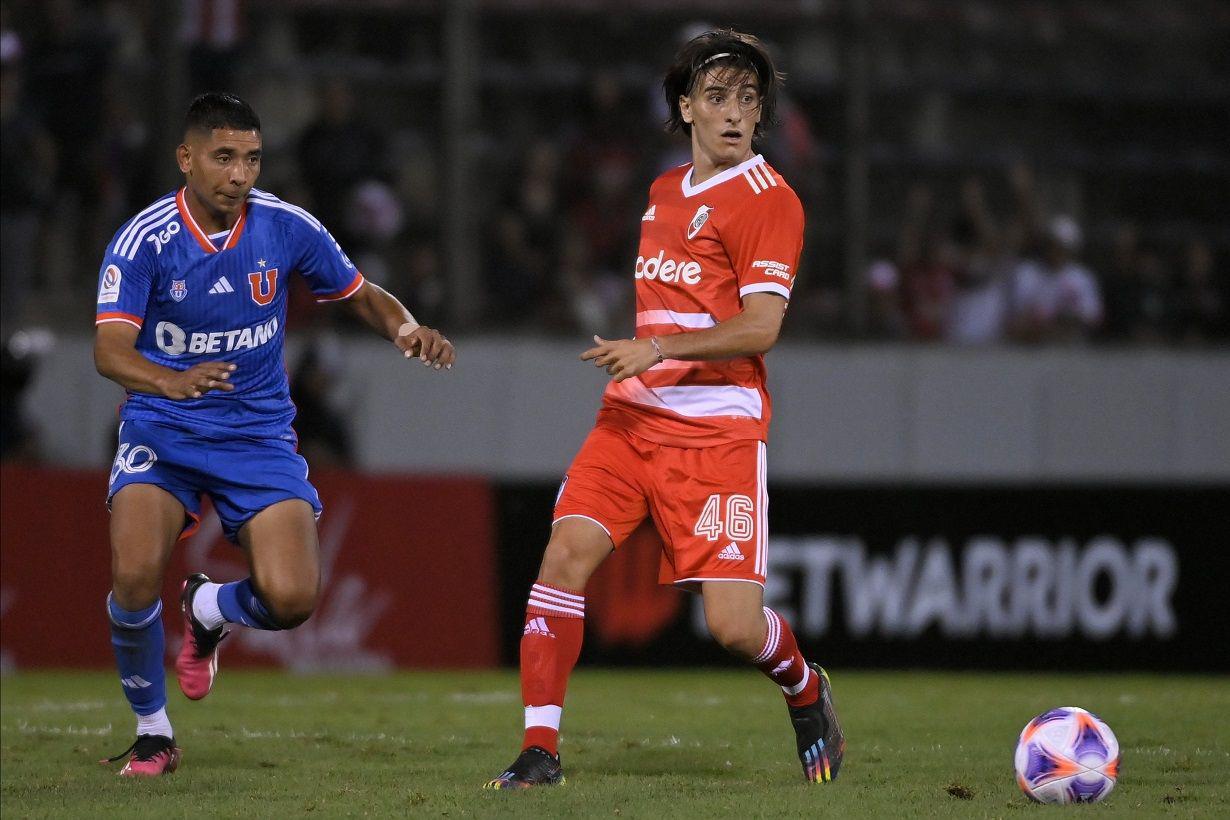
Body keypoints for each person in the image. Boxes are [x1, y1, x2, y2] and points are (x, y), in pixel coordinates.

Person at [485, 30, 844, 790]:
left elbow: (762, 327)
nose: (734, 112)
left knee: (733, 627)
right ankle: (540, 751)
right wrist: (645, 363)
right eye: (717, 96)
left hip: (715, 433)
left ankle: (805, 686)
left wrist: (657, 349)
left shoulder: (770, 202)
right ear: (685, 107)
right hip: (629, 422)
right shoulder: (662, 191)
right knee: (562, 558)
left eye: (748, 99)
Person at [93, 92, 454, 776]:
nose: (240, 174)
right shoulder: (145, 240)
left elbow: (361, 293)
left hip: (256, 436)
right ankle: (153, 732)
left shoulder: (285, 227)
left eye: (252, 158)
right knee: (134, 573)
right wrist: (169, 381)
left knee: (291, 600)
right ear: (187, 158)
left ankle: (208, 609)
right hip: (163, 426)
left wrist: (406, 328)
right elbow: (110, 350)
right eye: (224, 157)